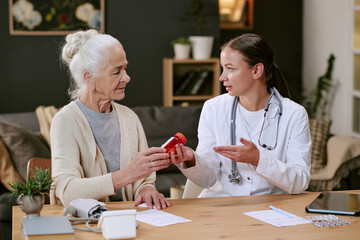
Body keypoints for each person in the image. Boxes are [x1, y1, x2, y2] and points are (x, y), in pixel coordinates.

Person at [171, 33, 311, 197]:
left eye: (230, 68)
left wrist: (258, 159)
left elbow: (300, 181)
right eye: (223, 68)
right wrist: (192, 160)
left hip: (270, 209)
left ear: (257, 70)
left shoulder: (294, 114)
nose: (221, 77)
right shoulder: (213, 108)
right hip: (222, 206)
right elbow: (208, 179)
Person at [50, 29, 171, 209]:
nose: (127, 78)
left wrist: (146, 190)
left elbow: (144, 180)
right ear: (89, 78)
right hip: (88, 226)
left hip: (130, 219)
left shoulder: (129, 118)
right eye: (116, 72)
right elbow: (67, 191)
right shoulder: (65, 121)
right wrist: (128, 174)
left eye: (125, 68)